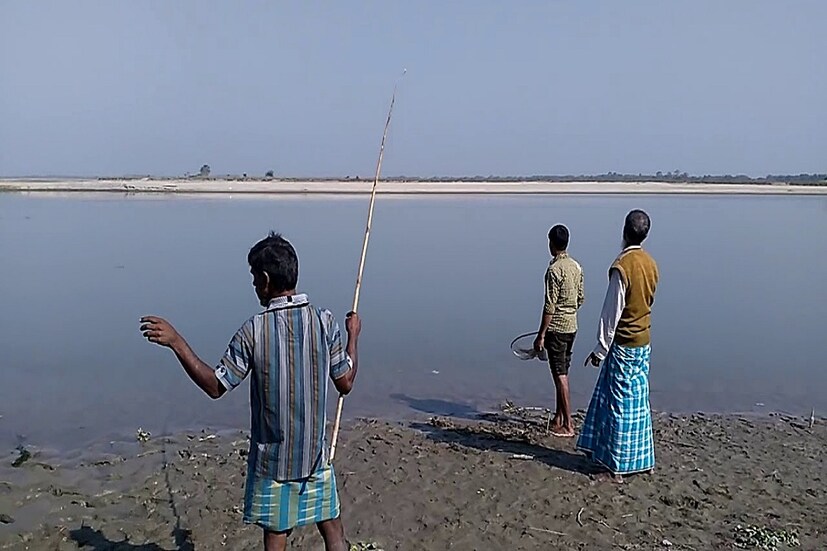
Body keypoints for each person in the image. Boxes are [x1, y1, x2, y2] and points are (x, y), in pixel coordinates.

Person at [139, 232, 360, 551]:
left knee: (276, 534)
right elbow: (346, 381)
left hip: (274, 466)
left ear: (267, 280)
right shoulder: (325, 322)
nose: (255, 286)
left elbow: (216, 386)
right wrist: (354, 335)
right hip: (315, 458)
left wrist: (177, 342)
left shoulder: (254, 330)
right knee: (334, 533)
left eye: (255, 279)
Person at [577, 210, 659, 483]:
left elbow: (611, 312)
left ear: (624, 232)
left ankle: (615, 467)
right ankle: (643, 461)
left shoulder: (623, 265)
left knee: (618, 404)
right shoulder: (650, 263)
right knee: (638, 400)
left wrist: (600, 350)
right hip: (643, 341)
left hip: (624, 342)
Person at [533, 224, 585, 437]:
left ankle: (568, 425)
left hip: (557, 328)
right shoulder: (576, 267)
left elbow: (549, 306)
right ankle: (558, 417)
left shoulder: (554, 270)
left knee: (559, 374)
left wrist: (541, 334)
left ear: (552, 244)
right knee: (562, 372)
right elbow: (580, 298)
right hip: (572, 326)